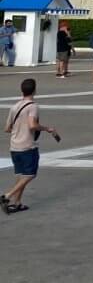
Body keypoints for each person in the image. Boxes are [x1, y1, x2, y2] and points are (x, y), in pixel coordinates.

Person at [5, 78, 60, 214]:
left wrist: (19, 129)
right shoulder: (33, 106)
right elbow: (32, 125)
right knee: (30, 175)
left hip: (14, 146)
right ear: (34, 90)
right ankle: (7, 196)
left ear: (22, 90)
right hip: (27, 146)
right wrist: (47, 129)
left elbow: (7, 128)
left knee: (21, 175)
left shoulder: (15, 106)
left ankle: (17, 203)